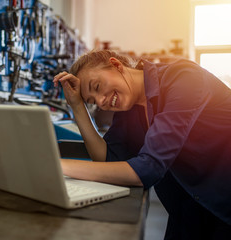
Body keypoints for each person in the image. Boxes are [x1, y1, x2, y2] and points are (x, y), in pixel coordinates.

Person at [53, 50, 231, 240]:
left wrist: (57, 166)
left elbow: (149, 168)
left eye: (97, 86)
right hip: (187, 212)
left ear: (116, 65)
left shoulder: (184, 79)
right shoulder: (128, 109)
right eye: (93, 102)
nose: (101, 102)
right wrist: (78, 106)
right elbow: (107, 160)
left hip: (224, 207)